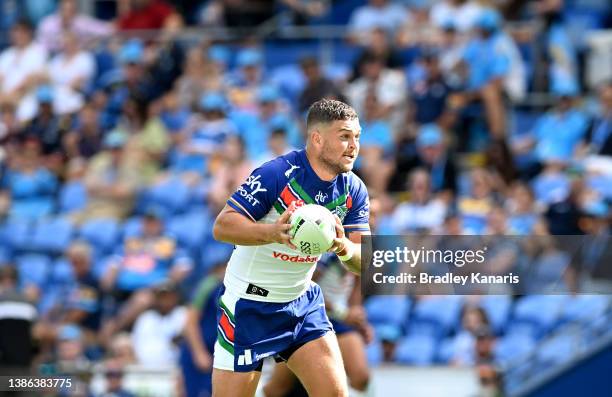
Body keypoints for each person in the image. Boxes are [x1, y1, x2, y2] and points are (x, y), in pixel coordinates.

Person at [212, 99, 370, 397]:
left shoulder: (353, 189)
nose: (354, 145)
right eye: (345, 136)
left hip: (301, 304)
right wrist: (272, 232)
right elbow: (222, 226)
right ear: (317, 138)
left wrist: (343, 247)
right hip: (248, 305)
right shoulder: (276, 173)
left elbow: (366, 262)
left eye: (357, 137)